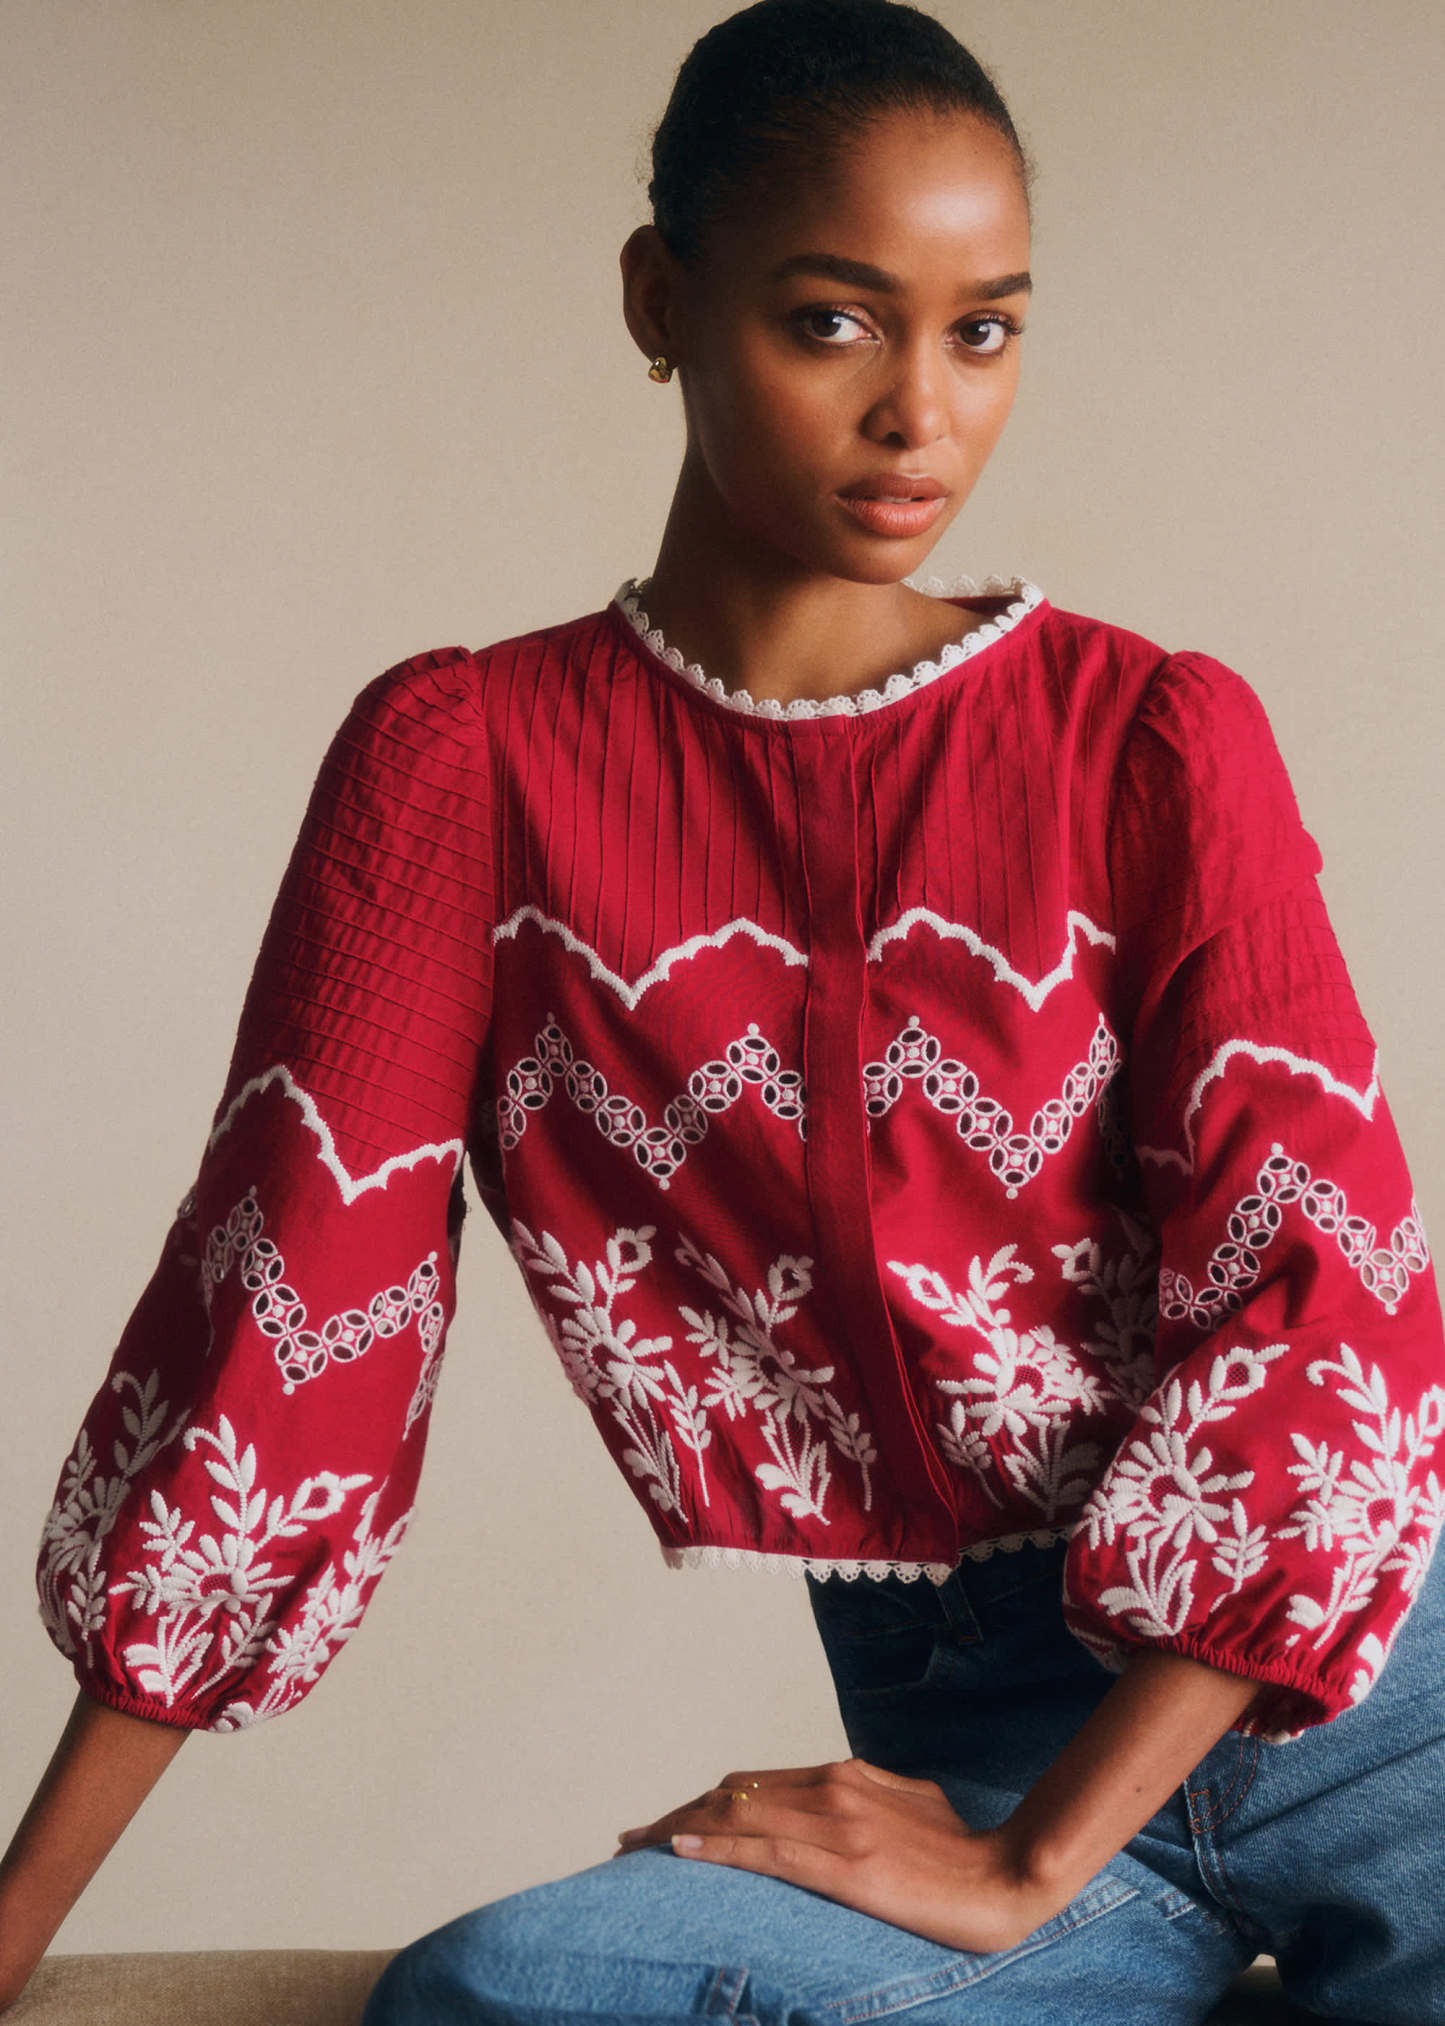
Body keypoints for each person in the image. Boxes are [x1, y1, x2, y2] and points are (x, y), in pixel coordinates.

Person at [3, 2, 1443, 2020]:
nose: (921, 413)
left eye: (984, 332)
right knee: (501, 1998)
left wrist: (1027, 1864)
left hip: (1387, 1716)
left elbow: (1326, 1307)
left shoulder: (1148, 740)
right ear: (659, 299)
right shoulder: (464, 767)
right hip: (974, 1740)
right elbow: (281, 1333)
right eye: (834, 321)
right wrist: (12, 1927)